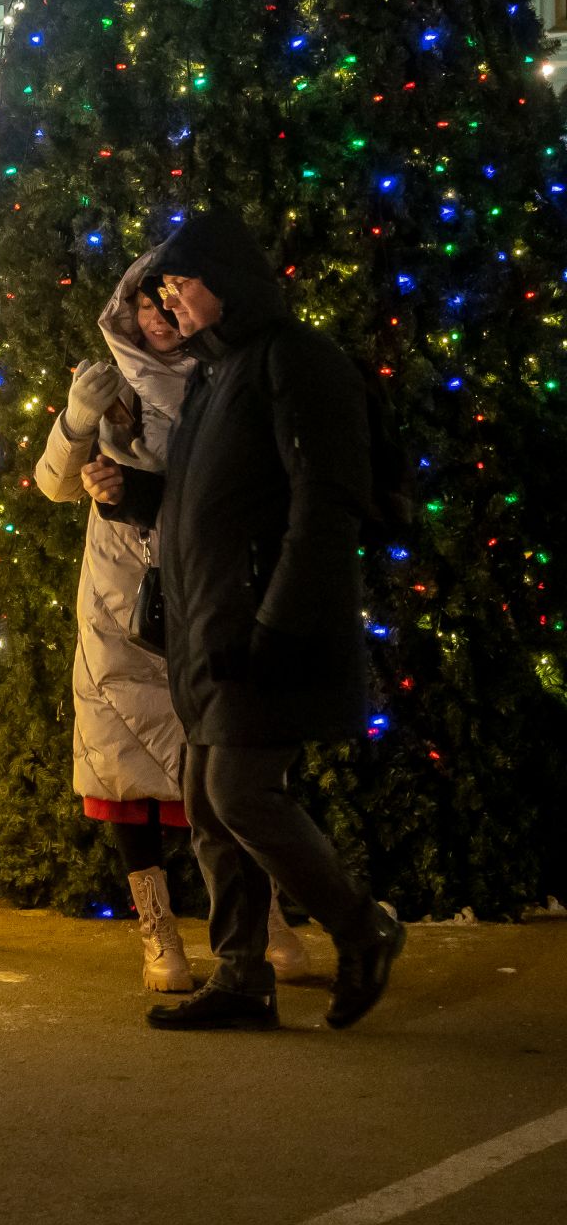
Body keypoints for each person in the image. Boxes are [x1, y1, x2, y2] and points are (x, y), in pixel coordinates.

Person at [80, 209, 405, 1032]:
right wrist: (137, 496)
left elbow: (325, 503)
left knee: (237, 793)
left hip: (263, 630)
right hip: (209, 631)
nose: (171, 304)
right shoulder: (219, 377)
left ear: (223, 282)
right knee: (206, 798)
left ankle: (360, 925)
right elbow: (210, 506)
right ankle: (240, 974)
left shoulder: (295, 362)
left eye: (180, 286)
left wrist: (279, 628)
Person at [39, 256, 308, 993]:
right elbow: (54, 483)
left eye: (168, 300)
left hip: (205, 577)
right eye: (144, 302)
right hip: (121, 592)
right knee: (123, 765)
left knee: (223, 761)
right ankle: (160, 936)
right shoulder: (110, 379)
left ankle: (261, 920)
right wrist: (76, 424)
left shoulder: (223, 374)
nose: (157, 316)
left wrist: (143, 486)